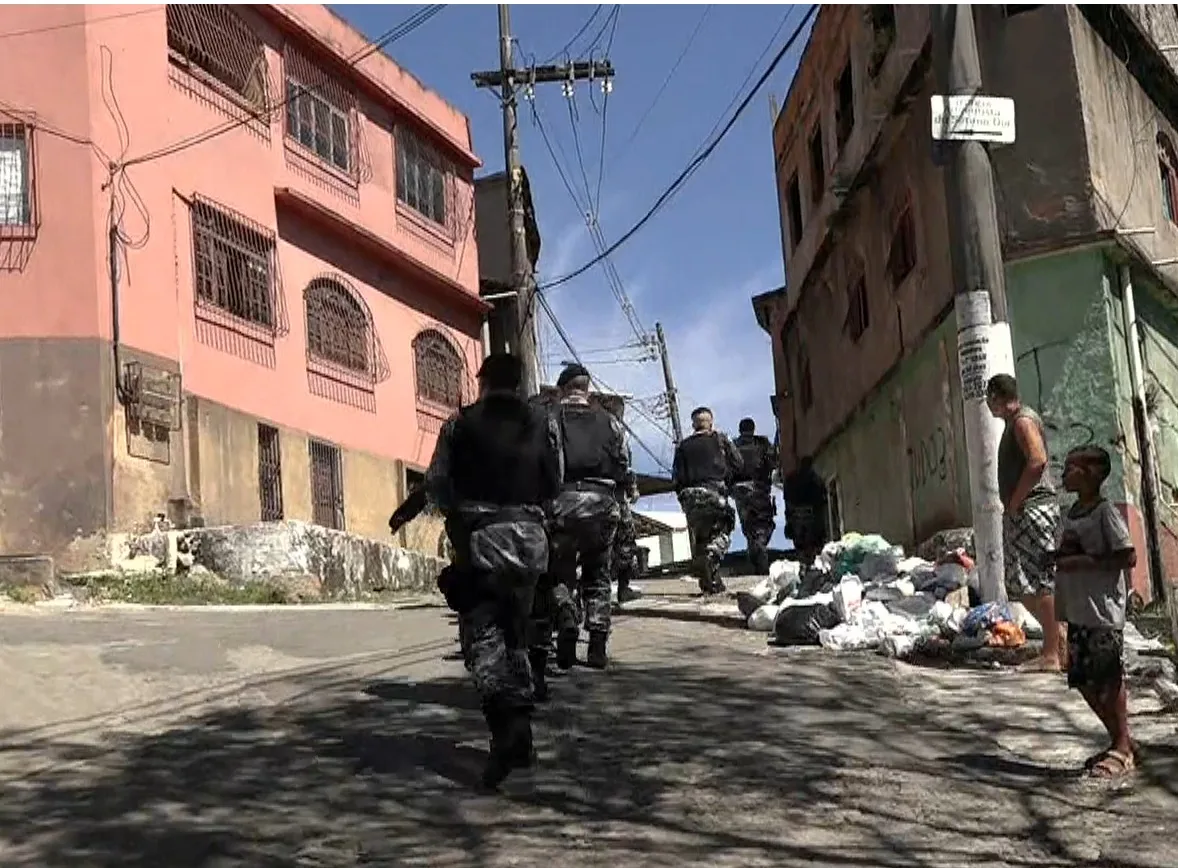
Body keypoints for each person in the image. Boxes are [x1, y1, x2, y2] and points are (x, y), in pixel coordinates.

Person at [424, 352, 561, 789]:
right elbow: (555, 481)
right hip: (530, 540)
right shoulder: (543, 421)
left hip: (483, 538)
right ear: (520, 382)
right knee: (515, 632)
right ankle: (520, 733)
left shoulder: (459, 424)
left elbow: (436, 486)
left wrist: (459, 512)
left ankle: (508, 730)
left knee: (483, 639)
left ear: (482, 382)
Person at [1054, 445, 1138, 780]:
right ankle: (1122, 741)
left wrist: (1082, 561)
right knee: (1082, 679)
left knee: (1108, 678)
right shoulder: (1073, 511)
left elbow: (1127, 556)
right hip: (1077, 610)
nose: (1064, 475)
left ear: (1088, 475)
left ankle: (1122, 747)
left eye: (1071, 469)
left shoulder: (1105, 513)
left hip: (1101, 612)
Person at [547, 363, 629, 671]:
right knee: (598, 575)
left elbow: (545, 463)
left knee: (559, 572)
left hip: (563, 503)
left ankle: (567, 616)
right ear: (587, 389)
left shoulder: (550, 419)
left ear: (562, 389)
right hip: (602, 503)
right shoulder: (610, 423)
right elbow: (622, 464)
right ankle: (597, 647)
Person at [986, 373, 1064, 672]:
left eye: (989, 399)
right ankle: (1058, 641)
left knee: (1039, 580)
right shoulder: (1015, 423)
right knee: (1022, 583)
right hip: (1023, 513)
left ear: (996, 397)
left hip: (1032, 511)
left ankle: (1052, 654)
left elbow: (1037, 460)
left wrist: (1016, 501)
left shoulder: (1022, 421)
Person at [389, 485, 475, 671]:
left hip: (477, 543)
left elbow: (433, 484)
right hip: (524, 539)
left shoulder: (459, 456)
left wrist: (404, 513)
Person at [672, 406, 743, 595]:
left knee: (702, 537)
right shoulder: (721, 439)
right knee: (724, 528)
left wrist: (682, 498)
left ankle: (710, 582)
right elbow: (738, 463)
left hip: (690, 497)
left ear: (693, 424)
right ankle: (710, 566)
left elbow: (676, 477)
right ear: (710, 421)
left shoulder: (682, 446)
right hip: (714, 492)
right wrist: (727, 480)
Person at [731, 418, 778, 575]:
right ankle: (759, 552)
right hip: (759, 488)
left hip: (740, 490)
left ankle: (755, 554)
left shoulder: (734, 445)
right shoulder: (762, 443)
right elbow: (774, 462)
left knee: (748, 525)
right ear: (753, 428)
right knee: (764, 524)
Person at [782, 456, 829, 567]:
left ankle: (805, 563)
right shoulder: (816, 480)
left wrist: (789, 518)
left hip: (797, 516)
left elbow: (787, 499)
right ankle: (810, 563)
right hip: (810, 515)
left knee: (801, 543)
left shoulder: (792, 479)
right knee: (811, 542)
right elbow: (822, 502)